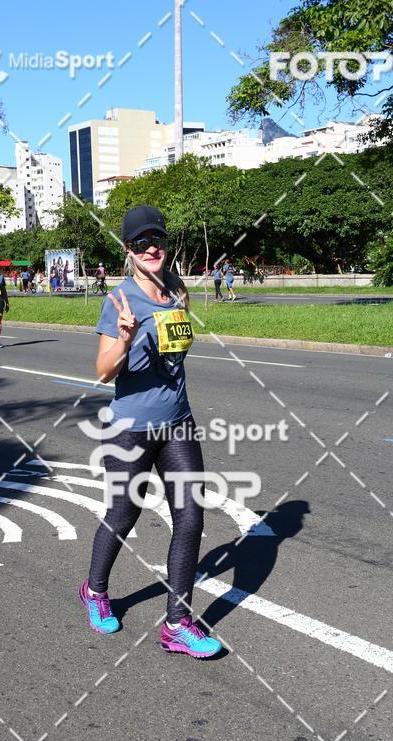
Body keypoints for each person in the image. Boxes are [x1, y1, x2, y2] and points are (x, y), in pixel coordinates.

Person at [79, 204, 222, 659]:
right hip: (131, 428)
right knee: (124, 514)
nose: (151, 248)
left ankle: (177, 624)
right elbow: (103, 372)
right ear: (128, 250)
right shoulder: (118, 300)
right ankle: (94, 591)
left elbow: (176, 356)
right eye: (141, 242)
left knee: (191, 517)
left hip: (178, 421)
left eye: (157, 239)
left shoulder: (177, 291)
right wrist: (124, 338)